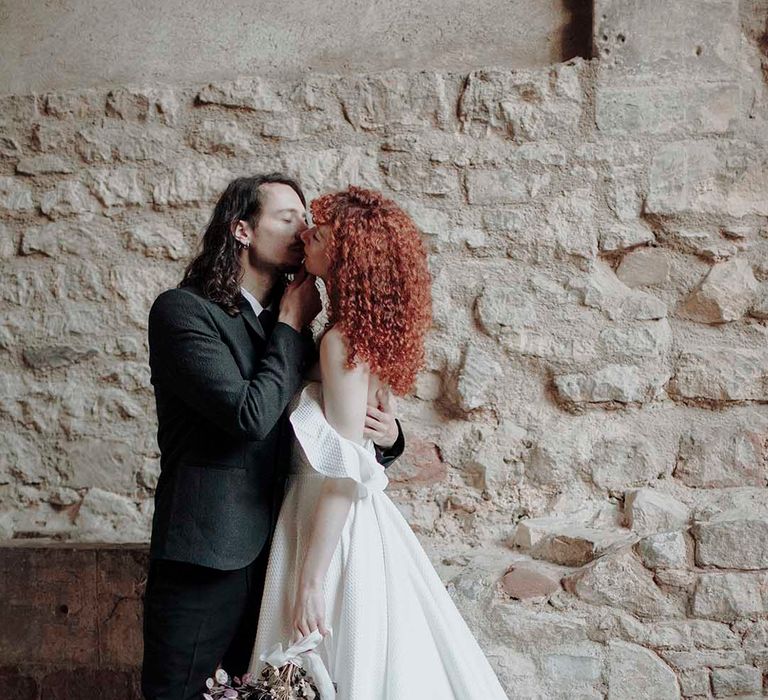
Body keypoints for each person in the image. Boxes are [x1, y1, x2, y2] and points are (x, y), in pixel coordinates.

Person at [141, 174, 405, 700]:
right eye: (287, 217)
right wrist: (288, 324)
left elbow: (337, 429)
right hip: (207, 555)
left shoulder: (297, 330)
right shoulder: (183, 312)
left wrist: (392, 436)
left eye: (306, 219)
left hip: (279, 552)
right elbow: (248, 416)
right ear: (241, 230)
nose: (303, 228)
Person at [249, 186, 508, 699]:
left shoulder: (342, 341)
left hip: (329, 523)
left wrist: (311, 580)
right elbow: (364, 438)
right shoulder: (357, 332)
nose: (305, 236)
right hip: (323, 512)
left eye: (317, 233)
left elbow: (345, 471)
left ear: (347, 255)